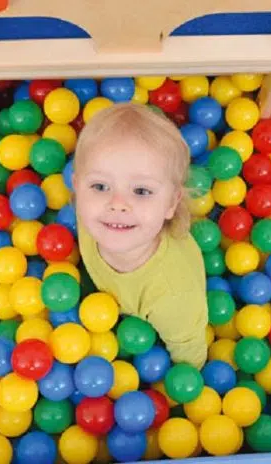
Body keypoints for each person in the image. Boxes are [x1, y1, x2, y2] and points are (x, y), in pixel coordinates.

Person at [72, 103, 208, 369]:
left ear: (171, 203)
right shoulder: (90, 217)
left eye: (142, 191)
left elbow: (190, 358)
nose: (117, 204)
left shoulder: (173, 295)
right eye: (100, 186)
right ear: (77, 188)